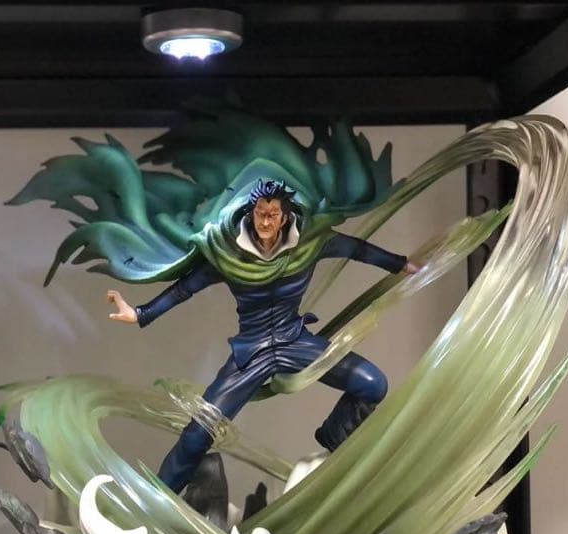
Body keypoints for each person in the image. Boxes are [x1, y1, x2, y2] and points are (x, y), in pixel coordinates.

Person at [105, 180, 420, 492]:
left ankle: (333, 443)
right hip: (251, 352)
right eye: (259, 213)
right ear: (251, 213)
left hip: (295, 341)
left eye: (272, 215)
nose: (265, 222)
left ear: (285, 217)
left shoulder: (310, 243)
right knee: (200, 431)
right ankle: (160, 497)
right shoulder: (230, 255)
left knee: (372, 384)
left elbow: (358, 249)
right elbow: (184, 288)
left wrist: (401, 264)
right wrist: (141, 313)